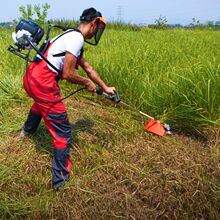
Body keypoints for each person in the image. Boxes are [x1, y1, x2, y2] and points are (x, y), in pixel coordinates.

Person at [20, 7, 115, 191]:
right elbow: (68, 74)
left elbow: (88, 67)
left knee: (40, 104)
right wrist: (86, 83)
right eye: (99, 27)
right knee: (63, 131)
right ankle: (60, 182)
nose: (97, 32)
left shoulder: (69, 34)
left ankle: (26, 132)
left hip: (31, 77)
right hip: (43, 82)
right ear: (94, 23)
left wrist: (105, 88)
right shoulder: (76, 39)